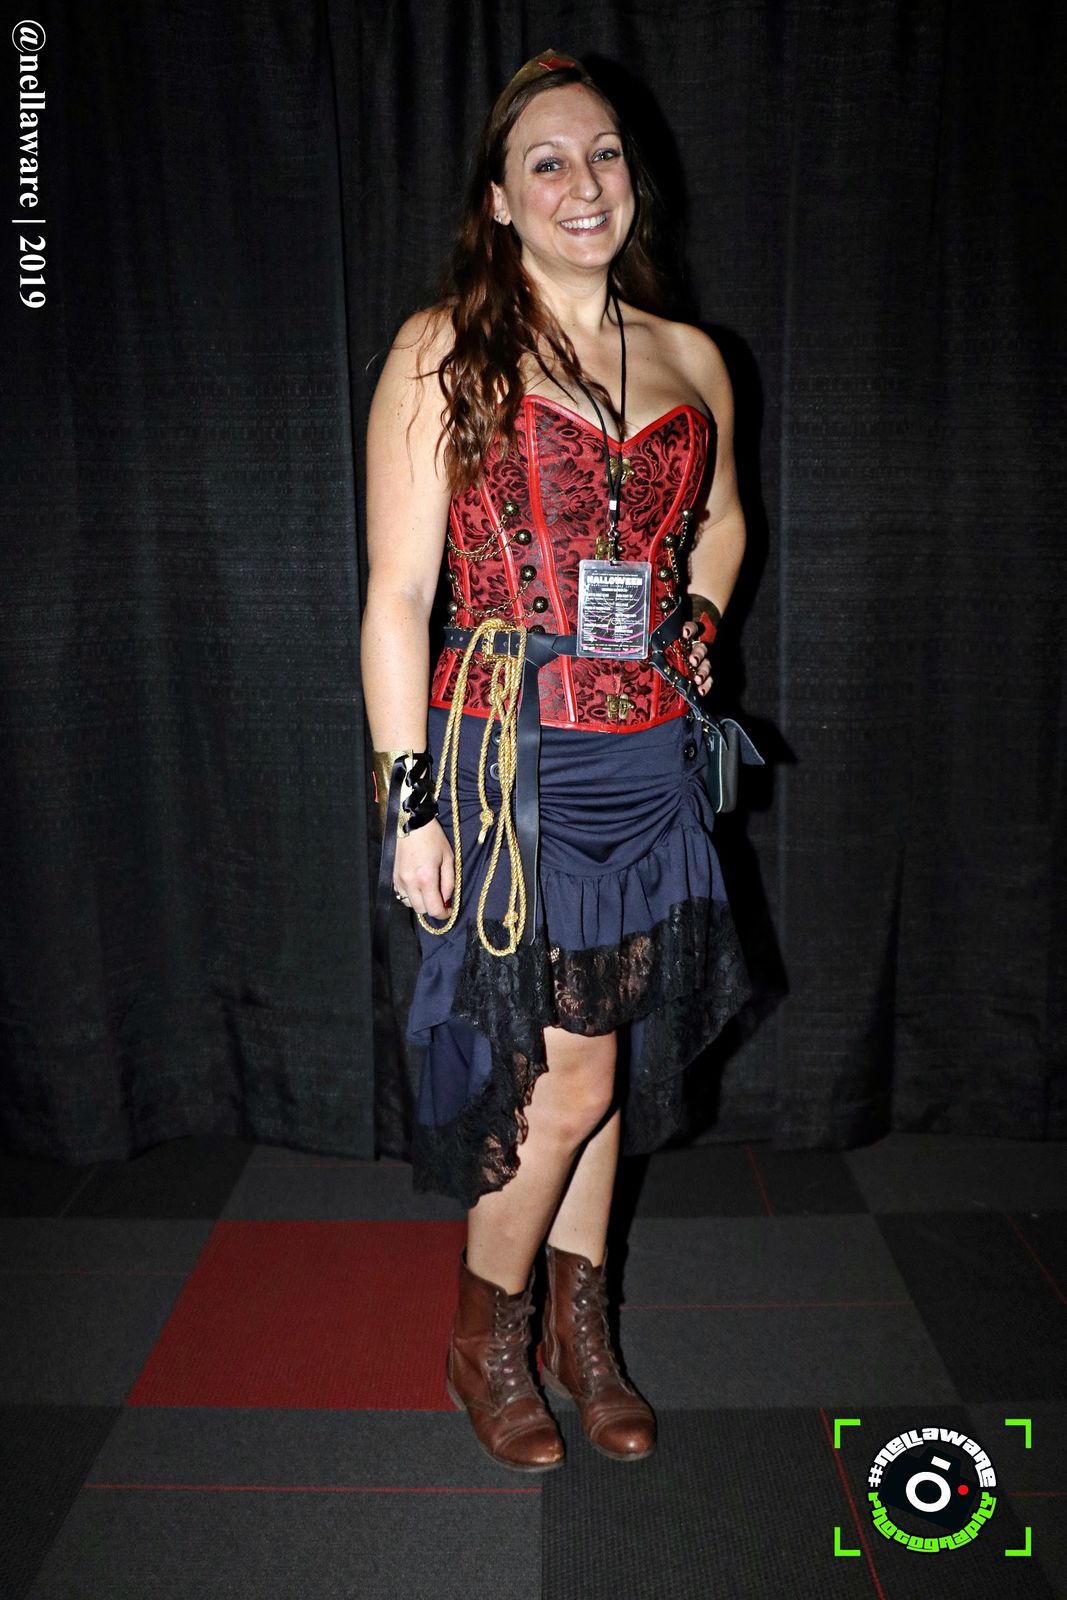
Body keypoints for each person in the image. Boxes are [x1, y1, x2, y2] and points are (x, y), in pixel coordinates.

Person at [361, 49, 755, 1474]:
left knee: (612, 1049)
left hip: (649, 749)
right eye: (546, 162)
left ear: (632, 179)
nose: (582, 184)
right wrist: (409, 804)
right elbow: (397, 597)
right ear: (499, 199)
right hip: (511, 756)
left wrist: (698, 618)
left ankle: (583, 1335)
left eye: (604, 156)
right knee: (567, 1079)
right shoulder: (443, 349)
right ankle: (488, 1333)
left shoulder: (690, 357)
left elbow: (723, 524)